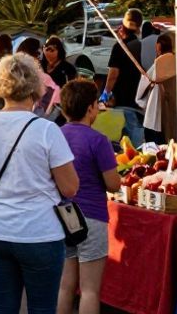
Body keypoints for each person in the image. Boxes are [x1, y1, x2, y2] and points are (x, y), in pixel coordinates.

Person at [0, 54, 78, 314]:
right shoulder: (46, 130)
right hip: (40, 231)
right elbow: (70, 187)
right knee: (42, 308)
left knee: (2, 306)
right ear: (36, 87)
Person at [55, 79, 119, 314]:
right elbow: (113, 184)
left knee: (64, 286)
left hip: (62, 215)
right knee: (90, 290)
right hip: (92, 216)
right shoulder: (98, 140)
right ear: (91, 107)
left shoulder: (55, 136)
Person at [103, 9, 145, 146]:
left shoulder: (119, 47)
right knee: (137, 143)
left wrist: (105, 93)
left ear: (122, 25)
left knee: (121, 144)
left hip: (122, 102)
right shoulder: (141, 46)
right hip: (140, 101)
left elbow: (113, 74)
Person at [136, 32, 177, 145]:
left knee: (154, 145)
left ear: (158, 47)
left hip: (156, 112)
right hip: (173, 111)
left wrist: (142, 102)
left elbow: (142, 88)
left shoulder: (158, 65)